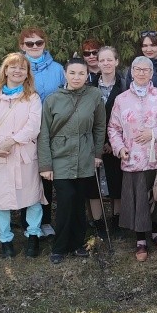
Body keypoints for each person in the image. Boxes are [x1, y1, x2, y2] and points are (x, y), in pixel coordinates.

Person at [108, 55, 157, 262]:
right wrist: (119, 148)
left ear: (151, 73)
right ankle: (141, 239)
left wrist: (155, 133)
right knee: (138, 199)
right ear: (131, 72)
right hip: (134, 158)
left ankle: (156, 232)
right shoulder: (121, 99)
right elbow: (113, 128)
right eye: (137, 69)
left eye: (146, 70)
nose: (141, 73)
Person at [0, 53, 46, 258]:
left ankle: (33, 236)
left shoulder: (32, 97)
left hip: (24, 154)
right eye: (13, 67)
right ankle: (5, 240)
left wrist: (13, 140)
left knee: (32, 197)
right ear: (5, 70)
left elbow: (34, 126)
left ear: (27, 74)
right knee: (0, 200)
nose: (17, 71)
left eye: (22, 68)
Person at [38, 58, 106, 263]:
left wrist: (97, 154)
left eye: (81, 74)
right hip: (60, 158)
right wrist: (46, 165)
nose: (77, 77)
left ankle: (77, 244)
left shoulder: (94, 96)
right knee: (66, 201)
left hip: (85, 157)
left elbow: (99, 127)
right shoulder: (52, 99)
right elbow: (44, 133)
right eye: (73, 73)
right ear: (65, 74)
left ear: (88, 75)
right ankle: (59, 247)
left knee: (78, 202)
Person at [19, 27, 64, 237]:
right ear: (22, 47)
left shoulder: (58, 69)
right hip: (24, 131)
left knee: (47, 175)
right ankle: (26, 221)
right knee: (26, 176)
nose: (35, 47)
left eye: (38, 43)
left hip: (52, 130)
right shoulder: (17, 68)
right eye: (29, 44)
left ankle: (46, 220)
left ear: (45, 44)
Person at [90, 46, 126, 236]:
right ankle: (98, 224)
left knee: (116, 183)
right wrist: (97, 144)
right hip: (94, 144)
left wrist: (114, 143)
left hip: (117, 143)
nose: (105, 63)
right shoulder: (90, 87)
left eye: (109, 59)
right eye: (102, 60)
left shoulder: (125, 86)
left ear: (116, 61)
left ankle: (117, 221)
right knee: (94, 186)